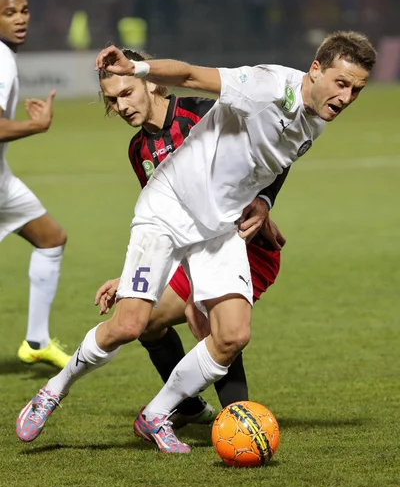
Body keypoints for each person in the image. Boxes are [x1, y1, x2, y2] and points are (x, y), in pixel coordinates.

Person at [16, 31, 377, 454]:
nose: (347, 96)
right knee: (131, 324)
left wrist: (262, 201)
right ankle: (53, 391)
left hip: (218, 226)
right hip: (169, 207)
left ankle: (157, 414)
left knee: (232, 335)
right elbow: (189, 74)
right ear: (315, 70)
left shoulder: (315, 119)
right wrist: (138, 68)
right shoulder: (264, 87)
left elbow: (272, 164)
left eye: (356, 90)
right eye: (341, 83)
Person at [93, 48, 287, 427]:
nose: (121, 106)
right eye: (112, 100)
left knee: (212, 319)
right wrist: (133, 278)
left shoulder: (203, 113)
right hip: (195, 248)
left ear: (151, 82)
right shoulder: (140, 150)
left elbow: (279, 147)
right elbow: (164, 223)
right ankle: (187, 407)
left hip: (244, 243)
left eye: (127, 93)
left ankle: (238, 419)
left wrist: (264, 200)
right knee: (147, 322)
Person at [0, 0, 70, 369]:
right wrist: (36, 125)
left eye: (24, 10)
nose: (21, 18)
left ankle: (37, 340)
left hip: (2, 181)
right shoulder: (0, 58)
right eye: (9, 13)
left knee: (50, 238)